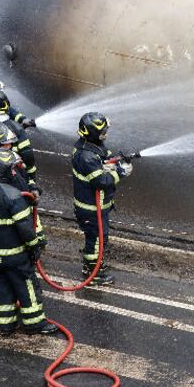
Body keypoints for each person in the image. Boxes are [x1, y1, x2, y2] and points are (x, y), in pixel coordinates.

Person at [0, 147, 57, 336]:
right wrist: (35, 246)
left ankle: (6, 326)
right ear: (3, 170)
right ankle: (34, 324)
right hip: (15, 256)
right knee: (26, 287)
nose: (15, 172)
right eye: (12, 168)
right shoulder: (12, 195)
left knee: (1, 289)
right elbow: (25, 228)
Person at [71, 112, 135, 285]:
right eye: (102, 132)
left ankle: (92, 266)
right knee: (96, 240)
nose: (105, 134)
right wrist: (120, 172)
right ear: (92, 133)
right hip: (91, 209)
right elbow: (102, 181)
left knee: (98, 239)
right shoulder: (86, 156)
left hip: (98, 206)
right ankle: (93, 274)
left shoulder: (94, 147)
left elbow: (105, 159)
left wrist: (118, 160)